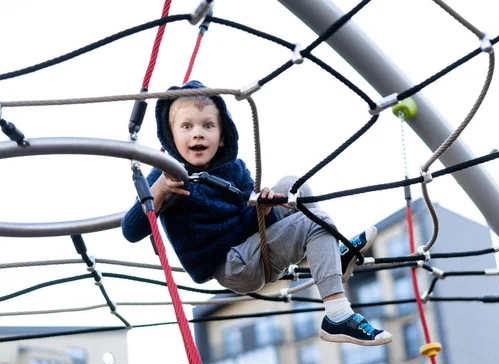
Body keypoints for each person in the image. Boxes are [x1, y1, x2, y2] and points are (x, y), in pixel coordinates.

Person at [121, 80, 392, 346]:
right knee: (318, 225)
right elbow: (131, 230)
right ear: (171, 136)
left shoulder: (234, 168)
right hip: (232, 265)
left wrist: (260, 207)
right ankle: (337, 315)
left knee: (292, 185)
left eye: (208, 125)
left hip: (252, 245)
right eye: (186, 126)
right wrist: (158, 191)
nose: (198, 133)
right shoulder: (167, 174)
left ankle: (328, 259)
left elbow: (249, 221)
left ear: (222, 134)